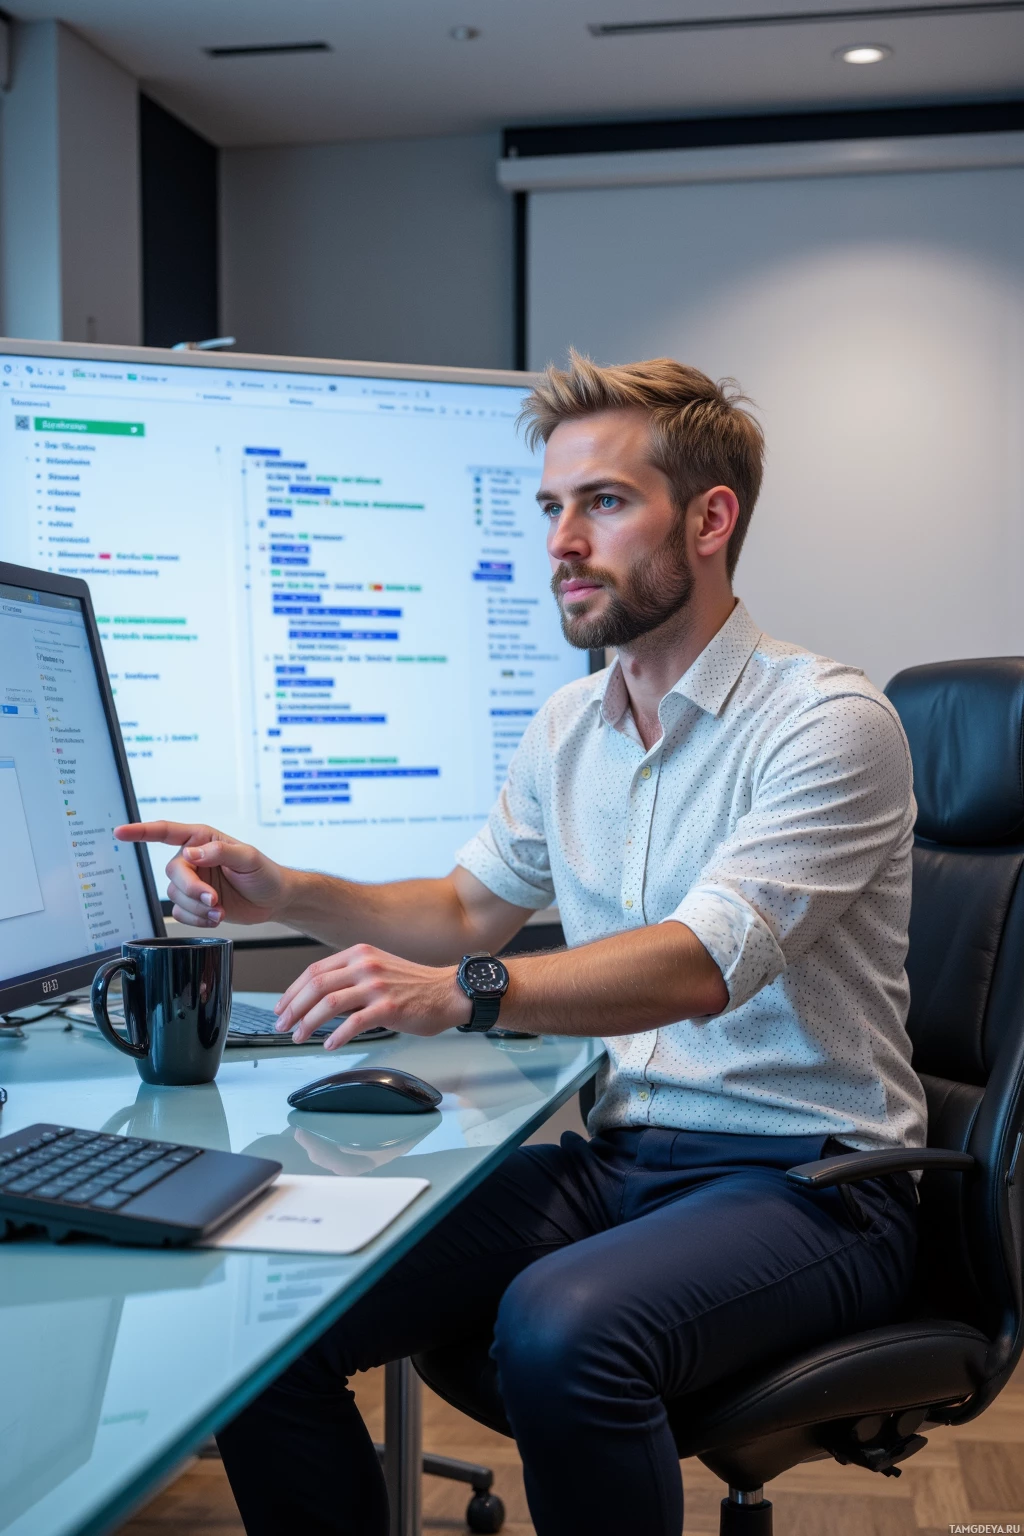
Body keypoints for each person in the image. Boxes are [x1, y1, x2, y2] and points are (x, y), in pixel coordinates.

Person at [117, 352, 926, 1536]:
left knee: (560, 1327)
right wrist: (281, 889)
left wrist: (467, 993)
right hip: (629, 1162)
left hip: (816, 1182)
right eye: (551, 506)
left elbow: (700, 964)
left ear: (710, 519)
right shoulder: (568, 725)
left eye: (601, 502)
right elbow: (461, 911)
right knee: (264, 1312)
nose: (560, 539)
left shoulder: (827, 723)